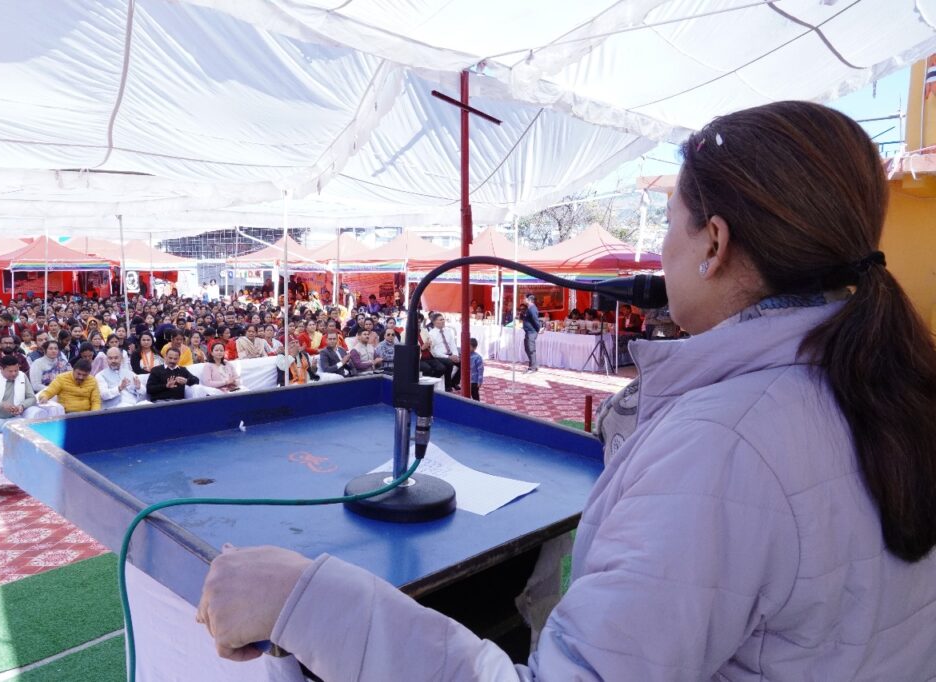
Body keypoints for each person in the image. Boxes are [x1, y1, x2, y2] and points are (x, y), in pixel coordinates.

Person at [195, 102, 936, 679]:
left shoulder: (723, 447)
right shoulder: (891, 385)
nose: (659, 252)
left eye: (670, 225)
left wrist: (304, 600)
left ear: (713, 243)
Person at [0, 356, 62, 437]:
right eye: (10, 371)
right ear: (1, 369)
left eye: (16, 370)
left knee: (23, 436)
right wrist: (1, 405)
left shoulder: (22, 376)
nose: (14, 374)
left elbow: (32, 398)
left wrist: (22, 406)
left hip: (12, 419)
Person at [427, 314, 460, 391]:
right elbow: (434, 351)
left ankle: (454, 382)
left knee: (462, 362)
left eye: (443, 319)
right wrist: (449, 357)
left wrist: (455, 355)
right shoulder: (431, 334)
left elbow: (453, 344)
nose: (443, 321)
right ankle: (447, 386)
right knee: (449, 363)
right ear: (434, 322)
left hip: (450, 354)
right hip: (440, 356)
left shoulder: (448, 331)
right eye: (440, 320)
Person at [521, 292, 541, 373]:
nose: (523, 299)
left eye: (524, 298)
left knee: (531, 349)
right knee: (527, 348)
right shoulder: (529, 308)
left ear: (528, 299)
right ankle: (533, 365)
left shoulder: (532, 309)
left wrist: (538, 329)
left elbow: (536, 320)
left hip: (531, 332)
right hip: (528, 331)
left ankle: (533, 367)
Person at [468, 337, 483, 401]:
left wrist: (480, 381)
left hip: (474, 381)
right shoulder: (464, 355)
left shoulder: (478, 357)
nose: (467, 347)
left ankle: (477, 405)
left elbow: (480, 370)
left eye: (469, 346)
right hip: (467, 380)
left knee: (475, 395)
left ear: (475, 348)